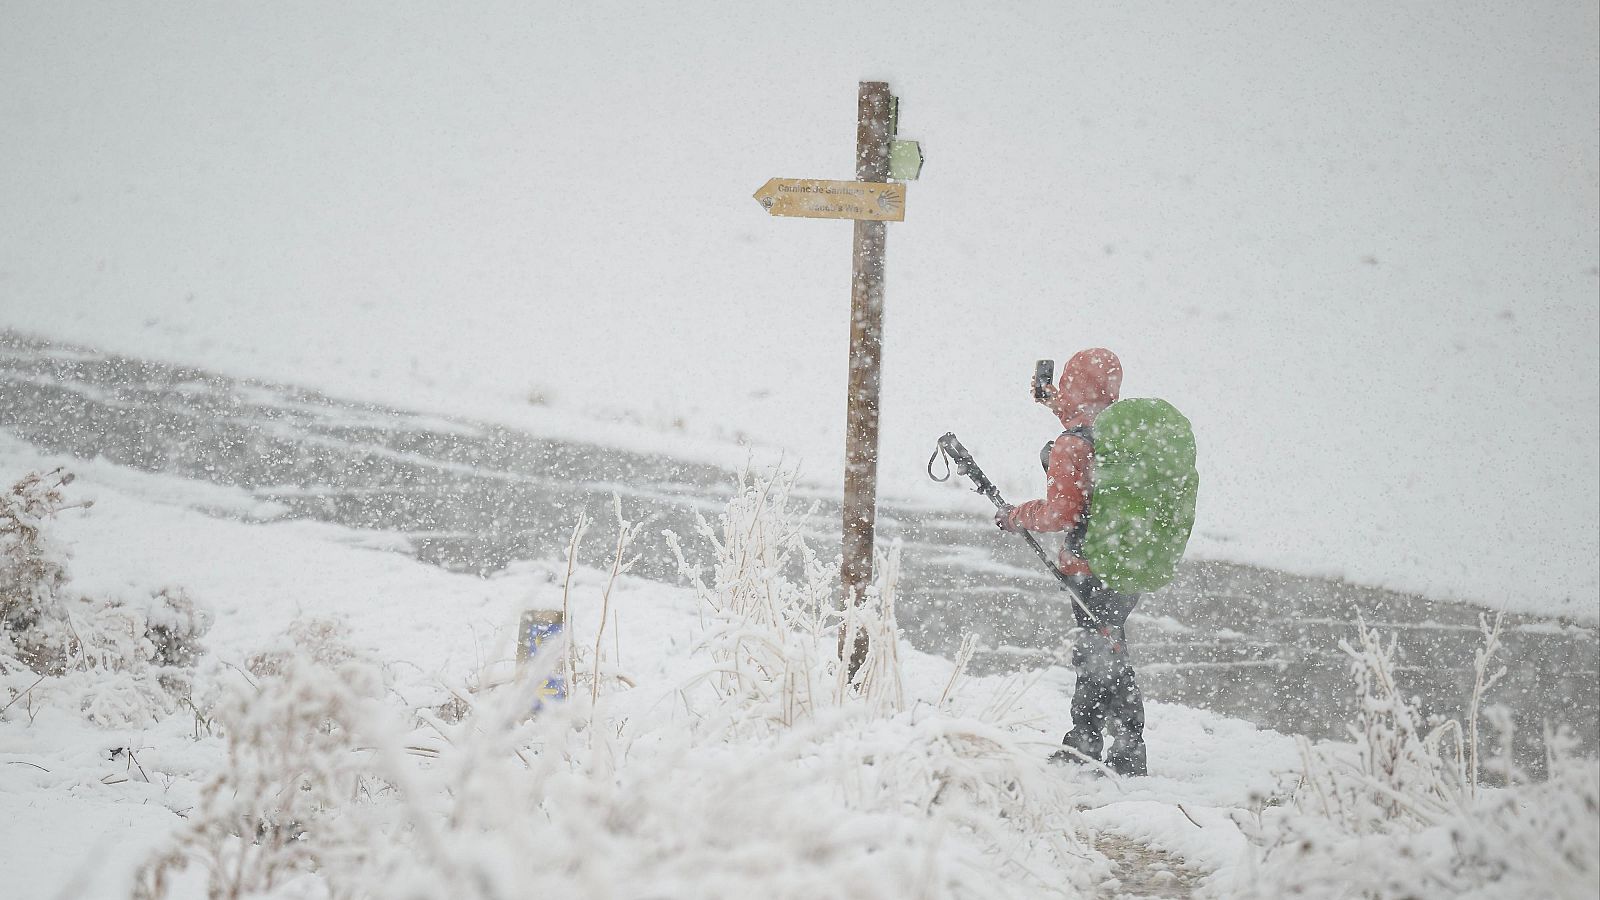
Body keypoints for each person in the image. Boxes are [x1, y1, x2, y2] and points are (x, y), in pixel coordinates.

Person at [994, 347, 1147, 776]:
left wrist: (1016, 515)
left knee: (1099, 654)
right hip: (1129, 562)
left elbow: (1061, 514)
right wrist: (1055, 404)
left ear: (1074, 384)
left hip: (1091, 566)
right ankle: (1112, 746)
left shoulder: (1073, 445)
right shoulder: (1124, 433)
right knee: (1108, 646)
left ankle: (1103, 747)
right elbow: (1087, 425)